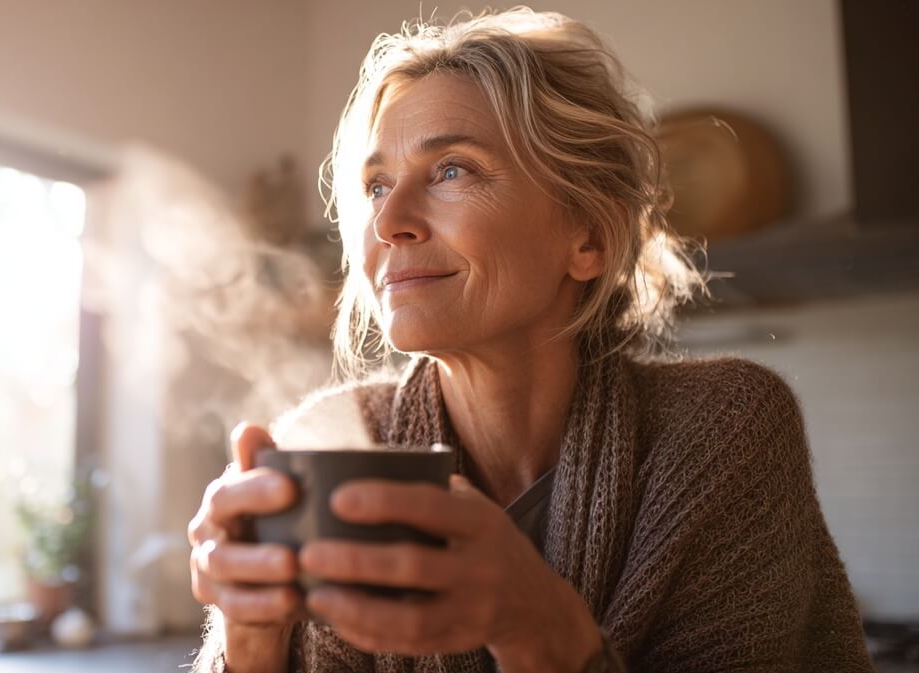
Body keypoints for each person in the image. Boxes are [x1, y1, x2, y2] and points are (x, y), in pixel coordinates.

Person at [188, 7, 873, 673]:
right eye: (375, 186)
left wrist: (536, 626)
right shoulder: (329, 440)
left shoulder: (724, 429)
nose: (389, 221)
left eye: (451, 169)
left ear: (588, 236)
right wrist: (251, 636)